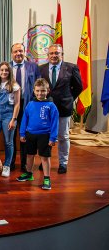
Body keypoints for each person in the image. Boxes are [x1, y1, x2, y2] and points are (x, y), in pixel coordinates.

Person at [39, 44, 83, 174]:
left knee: (63, 136)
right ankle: (44, 160)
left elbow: (79, 87)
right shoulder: (41, 69)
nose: (54, 55)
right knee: (45, 136)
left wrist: (68, 99)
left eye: (57, 53)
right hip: (46, 108)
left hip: (64, 108)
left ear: (61, 54)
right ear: (48, 55)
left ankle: (63, 163)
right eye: (51, 53)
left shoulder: (71, 68)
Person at [17, 78, 59, 190]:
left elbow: (55, 122)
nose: (40, 93)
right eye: (38, 91)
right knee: (29, 155)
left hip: (45, 135)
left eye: (43, 91)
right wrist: (22, 133)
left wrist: (53, 137)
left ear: (47, 91)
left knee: (44, 157)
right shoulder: (30, 104)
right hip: (30, 134)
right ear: (34, 91)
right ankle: (29, 174)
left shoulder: (51, 106)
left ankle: (47, 178)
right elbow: (24, 120)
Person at [9, 43, 40, 172]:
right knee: (10, 135)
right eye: (15, 51)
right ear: (11, 53)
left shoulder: (33, 66)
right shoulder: (6, 67)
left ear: (24, 51)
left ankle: (24, 164)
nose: (18, 54)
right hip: (10, 107)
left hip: (27, 105)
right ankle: (10, 163)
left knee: (25, 136)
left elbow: (38, 85)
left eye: (20, 51)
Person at [0, 62, 21, 177]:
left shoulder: (14, 86)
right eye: (2, 70)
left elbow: (17, 104)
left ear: (9, 72)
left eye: (6, 70)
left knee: (8, 142)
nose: (4, 72)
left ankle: (7, 166)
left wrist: (13, 119)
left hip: (8, 115)